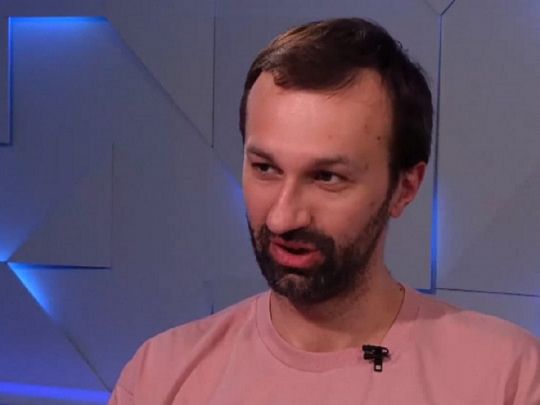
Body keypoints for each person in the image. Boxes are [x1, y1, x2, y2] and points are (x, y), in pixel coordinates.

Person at [109, 18, 540, 404]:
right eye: (265, 168)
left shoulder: (509, 379)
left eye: (327, 177)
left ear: (405, 188)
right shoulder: (160, 377)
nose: (282, 218)